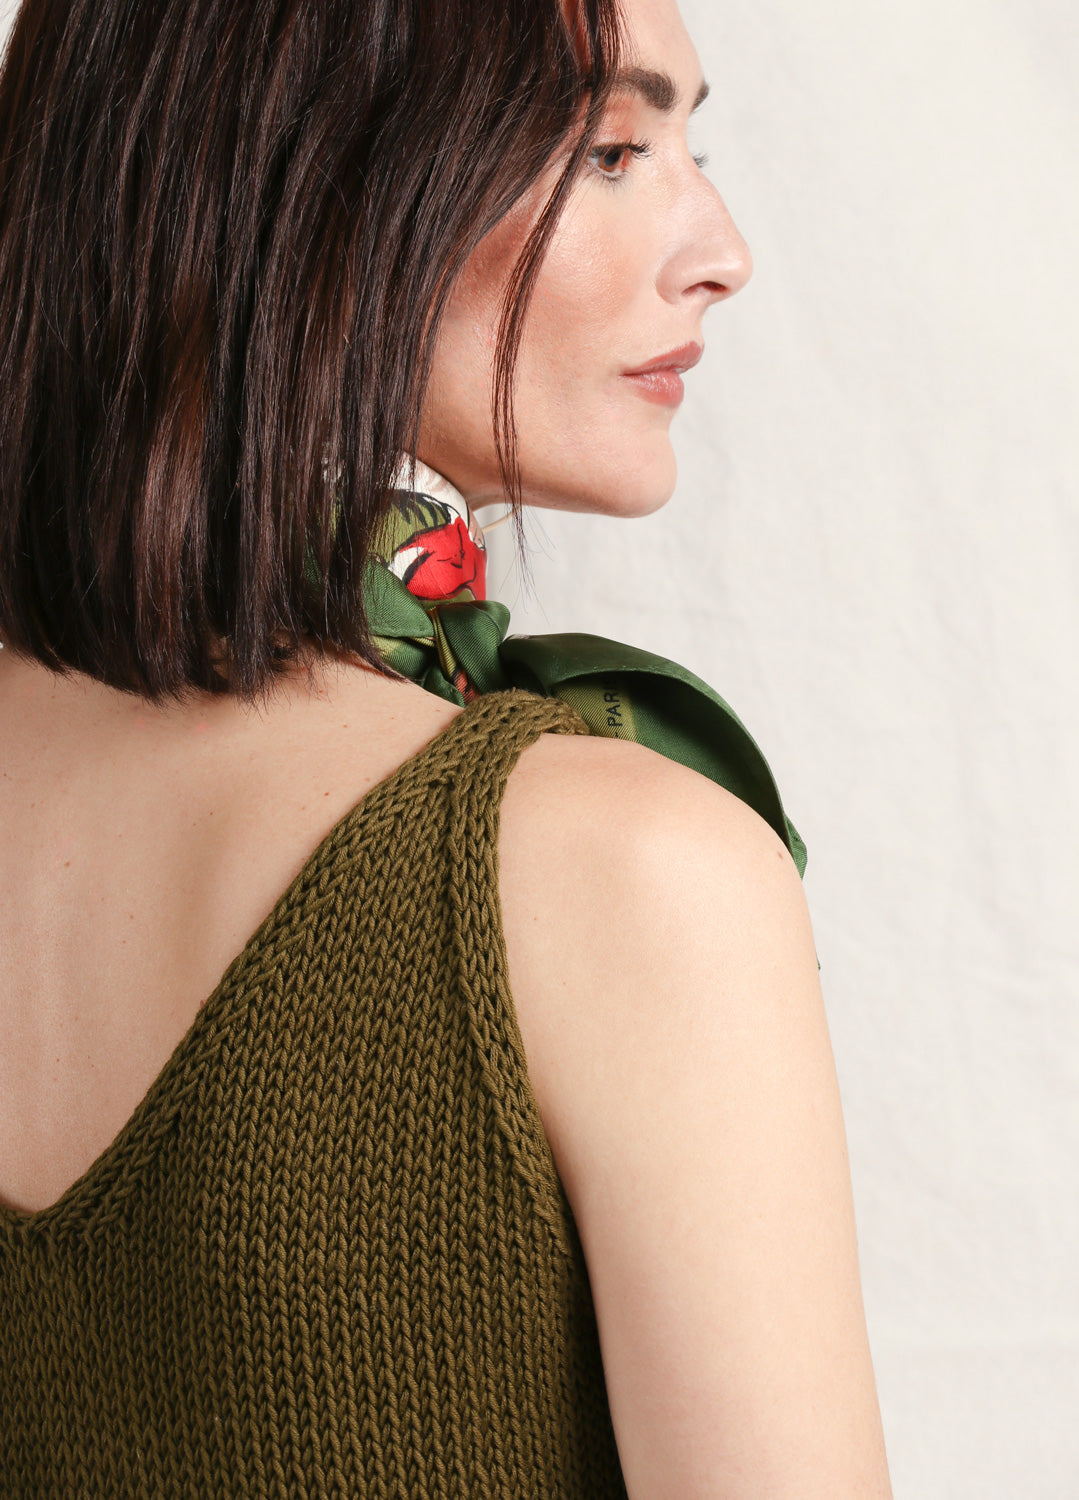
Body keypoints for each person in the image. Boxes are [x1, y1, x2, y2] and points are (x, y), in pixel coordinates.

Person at [0, 0, 893, 1494]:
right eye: (613, 150)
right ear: (314, 177)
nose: (722, 250)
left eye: (692, 147)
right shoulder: (627, 870)